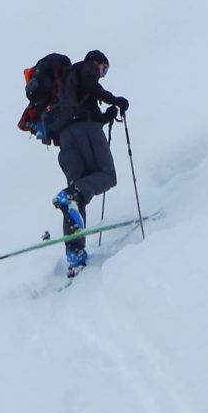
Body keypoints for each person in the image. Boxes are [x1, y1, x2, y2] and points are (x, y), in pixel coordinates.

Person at [50, 49, 129, 271]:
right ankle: (72, 195)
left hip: (65, 140)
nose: (102, 74)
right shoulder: (86, 68)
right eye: (104, 69)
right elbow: (93, 87)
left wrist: (105, 116)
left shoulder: (65, 86)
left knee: (75, 196)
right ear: (97, 63)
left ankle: (75, 251)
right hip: (85, 131)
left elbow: (84, 105)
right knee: (108, 176)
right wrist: (116, 100)